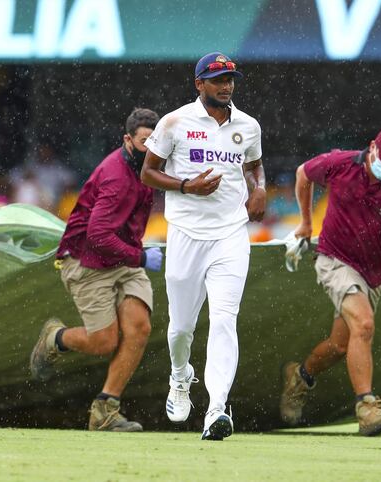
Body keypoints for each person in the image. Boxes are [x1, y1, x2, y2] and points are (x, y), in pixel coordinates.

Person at [279, 128, 381, 436]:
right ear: (371, 148)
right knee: (364, 324)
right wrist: (306, 221)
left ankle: (300, 377)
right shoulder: (340, 163)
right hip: (334, 258)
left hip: (375, 272)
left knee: (340, 345)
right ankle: (366, 407)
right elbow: (303, 174)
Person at [141, 52, 265, 440]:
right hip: (186, 235)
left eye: (230, 80)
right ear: (199, 84)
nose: (226, 86)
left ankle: (216, 409)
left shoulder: (248, 125)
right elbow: (147, 173)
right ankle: (180, 378)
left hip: (231, 234)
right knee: (181, 329)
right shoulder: (174, 122)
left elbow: (253, 164)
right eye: (217, 80)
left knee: (224, 320)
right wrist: (184, 186)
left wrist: (259, 187)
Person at [29, 108, 162, 432]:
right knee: (104, 342)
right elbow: (98, 237)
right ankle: (55, 337)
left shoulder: (150, 164)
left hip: (124, 258)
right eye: (146, 141)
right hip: (86, 259)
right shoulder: (116, 177)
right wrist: (141, 258)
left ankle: (106, 409)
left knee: (139, 327)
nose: (152, 147)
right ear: (128, 141)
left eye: (157, 141)